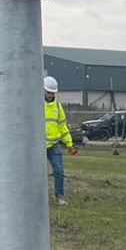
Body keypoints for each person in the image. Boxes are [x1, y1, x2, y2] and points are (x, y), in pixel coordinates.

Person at [44, 73, 75, 208]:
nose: (50, 94)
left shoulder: (57, 106)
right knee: (35, 174)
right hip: (37, 146)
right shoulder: (34, 104)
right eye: (48, 92)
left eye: (52, 92)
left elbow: (62, 125)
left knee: (58, 171)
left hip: (53, 145)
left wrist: (69, 144)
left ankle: (59, 196)